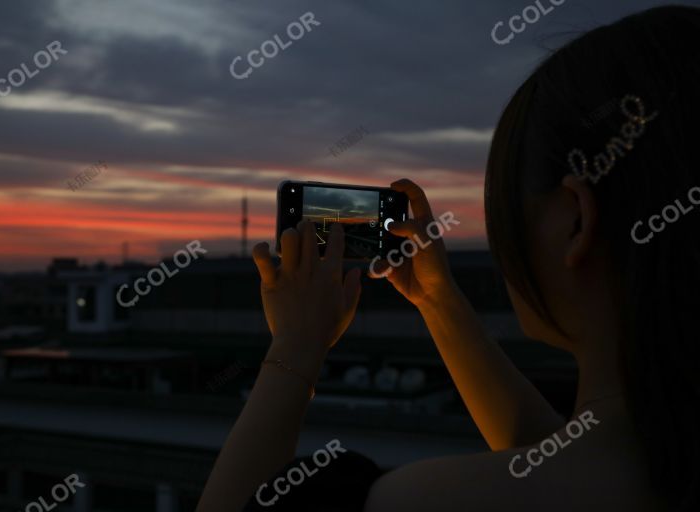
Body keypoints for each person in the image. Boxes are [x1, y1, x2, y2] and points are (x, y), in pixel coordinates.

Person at [197, 5, 699, 511]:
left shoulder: (418, 499)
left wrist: (296, 347)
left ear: (574, 222)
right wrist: (438, 302)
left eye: (504, 206)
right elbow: (542, 449)